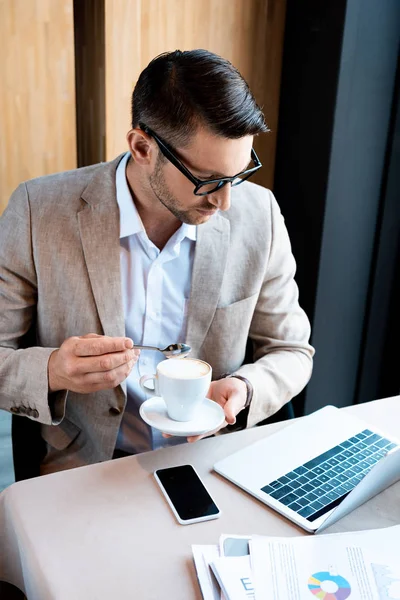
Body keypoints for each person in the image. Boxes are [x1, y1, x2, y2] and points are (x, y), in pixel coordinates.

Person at [0, 49, 314, 475]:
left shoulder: (260, 216)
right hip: (82, 469)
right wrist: (54, 370)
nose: (225, 201)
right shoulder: (38, 212)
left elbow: (292, 349)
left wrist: (244, 387)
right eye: (207, 181)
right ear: (142, 147)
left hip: (216, 465)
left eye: (240, 174)